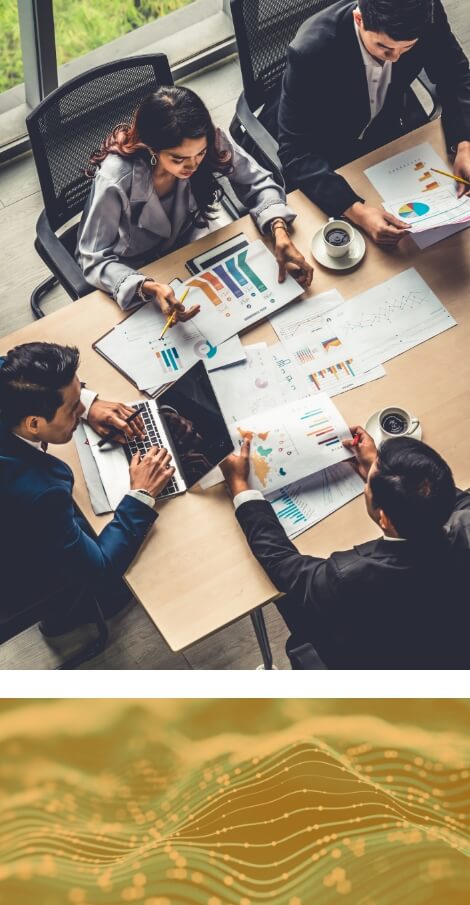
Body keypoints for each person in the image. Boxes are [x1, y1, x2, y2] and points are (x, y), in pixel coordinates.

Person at [220, 428, 470, 668]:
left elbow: (283, 564)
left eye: (370, 481)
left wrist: (241, 488)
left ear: (384, 519)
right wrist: (388, 473)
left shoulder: (348, 576)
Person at [77, 85, 313, 318]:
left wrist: (279, 229)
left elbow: (257, 182)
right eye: (178, 158)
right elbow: (92, 256)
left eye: (199, 154)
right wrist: (147, 286)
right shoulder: (115, 176)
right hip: (135, 267)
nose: (192, 165)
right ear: (152, 148)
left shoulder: (203, 139)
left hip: (192, 243)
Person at [0, 342, 175, 635]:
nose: (80, 411)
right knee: (116, 580)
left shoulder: (10, 381)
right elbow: (101, 570)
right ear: (33, 423)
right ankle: (71, 614)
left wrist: (89, 403)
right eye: (71, 409)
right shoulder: (39, 493)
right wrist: (141, 495)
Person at [275, 0, 470, 246]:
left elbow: (455, 73)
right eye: (385, 47)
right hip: (328, 149)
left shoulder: (426, 15)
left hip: (384, 132)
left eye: (408, 47)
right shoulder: (310, 51)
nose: (396, 58)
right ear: (359, 20)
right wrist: (357, 211)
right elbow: (295, 151)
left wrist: (465, 142)